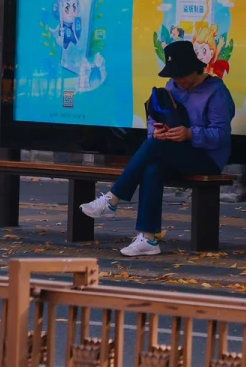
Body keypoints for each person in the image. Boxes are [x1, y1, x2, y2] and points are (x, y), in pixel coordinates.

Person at [81, 38, 235, 256]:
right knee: (153, 168)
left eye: (182, 75)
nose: (178, 81)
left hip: (206, 158)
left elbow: (220, 135)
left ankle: (113, 199)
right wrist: (158, 131)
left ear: (195, 69)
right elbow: (156, 115)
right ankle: (148, 238)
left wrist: (190, 133)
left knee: (154, 147)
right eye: (174, 76)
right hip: (174, 153)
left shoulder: (216, 91)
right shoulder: (172, 86)